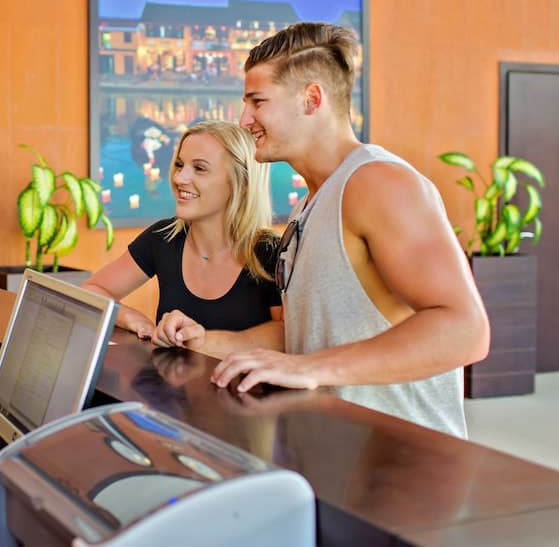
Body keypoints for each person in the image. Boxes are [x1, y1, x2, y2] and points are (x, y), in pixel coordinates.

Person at [211, 22, 490, 437]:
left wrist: (310, 368)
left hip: (401, 463)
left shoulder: (379, 183)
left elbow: (465, 331)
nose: (244, 119)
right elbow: (310, 337)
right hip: (331, 454)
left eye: (258, 102)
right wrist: (203, 341)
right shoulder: (309, 205)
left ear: (311, 99)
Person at [82, 120, 283, 359]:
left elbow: (285, 334)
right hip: (169, 384)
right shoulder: (163, 237)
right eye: (179, 165)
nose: (179, 178)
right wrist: (133, 319)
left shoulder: (270, 251)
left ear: (243, 183)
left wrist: (202, 342)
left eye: (199, 168)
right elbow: (92, 291)